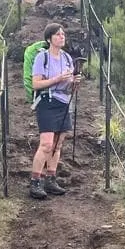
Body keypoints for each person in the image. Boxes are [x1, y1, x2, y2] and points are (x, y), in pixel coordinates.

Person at [29, 22, 78, 200]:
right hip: (47, 103)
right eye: (57, 34)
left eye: (63, 34)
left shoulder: (67, 58)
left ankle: (50, 178)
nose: (61, 36)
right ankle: (35, 181)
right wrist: (58, 79)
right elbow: (36, 84)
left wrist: (74, 82)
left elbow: (69, 85)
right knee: (47, 144)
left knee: (57, 144)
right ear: (49, 39)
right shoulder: (42, 58)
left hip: (64, 102)